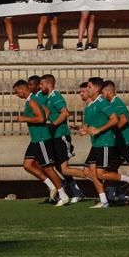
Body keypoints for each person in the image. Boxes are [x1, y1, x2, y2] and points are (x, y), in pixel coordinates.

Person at [12, 79, 71, 206]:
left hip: (41, 139)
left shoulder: (32, 100)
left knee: (48, 168)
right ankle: (52, 186)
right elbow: (47, 111)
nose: (17, 95)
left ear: (23, 89)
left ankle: (63, 194)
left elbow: (41, 118)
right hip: (36, 139)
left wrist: (24, 118)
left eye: (17, 92)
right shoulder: (34, 99)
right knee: (28, 164)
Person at [40, 74, 86, 203]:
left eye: (42, 84)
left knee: (64, 168)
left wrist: (53, 125)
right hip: (54, 136)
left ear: (48, 84)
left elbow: (65, 112)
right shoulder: (47, 98)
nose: (40, 87)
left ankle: (91, 176)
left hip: (61, 135)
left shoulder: (55, 96)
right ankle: (76, 191)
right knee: (59, 167)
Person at [78, 77, 120, 209]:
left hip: (105, 142)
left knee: (100, 174)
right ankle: (104, 200)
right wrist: (85, 130)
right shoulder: (93, 105)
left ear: (96, 88)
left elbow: (115, 119)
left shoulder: (102, 102)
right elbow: (92, 126)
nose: (87, 90)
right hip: (96, 144)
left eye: (89, 87)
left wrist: (98, 130)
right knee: (89, 171)